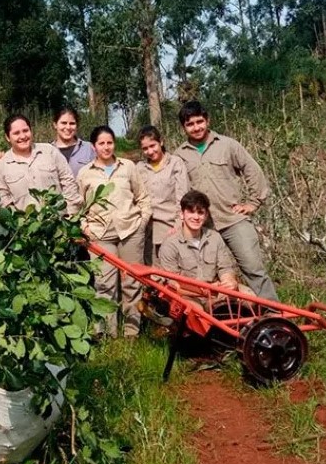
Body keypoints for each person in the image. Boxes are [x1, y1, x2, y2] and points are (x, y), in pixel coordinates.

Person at [173, 101, 279, 302]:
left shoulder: (228, 145)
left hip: (233, 220)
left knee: (253, 269)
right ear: (183, 127)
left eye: (199, 122)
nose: (196, 127)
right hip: (203, 227)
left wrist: (253, 203)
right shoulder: (179, 155)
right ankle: (223, 322)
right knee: (207, 278)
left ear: (207, 120)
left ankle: (274, 316)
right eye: (190, 124)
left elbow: (252, 170)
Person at [77, 125, 152, 338]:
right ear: (94, 147)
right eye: (101, 143)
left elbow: (143, 197)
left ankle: (131, 332)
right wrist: (86, 228)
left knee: (132, 283)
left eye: (109, 142)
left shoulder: (128, 167)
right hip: (100, 235)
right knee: (104, 285)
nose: (106, 147)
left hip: (130, 231)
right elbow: (77, 206)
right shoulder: (85, 173)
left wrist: (142, 222)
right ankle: (108, 334)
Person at [157, 190, 241, 300]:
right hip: (187, 296)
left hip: (216, 291)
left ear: (206, 216)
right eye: (191, 212)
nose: (196, 217)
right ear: (182, 215)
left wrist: (229, 281)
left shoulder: (215, 238)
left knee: (248, 297)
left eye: (200, 213)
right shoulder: (170, 244)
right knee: (196, 314)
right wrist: (207, 289)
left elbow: (225, 268)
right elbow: (173, 284)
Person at [0, 114, 82, 214]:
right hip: (25, 227)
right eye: (16, 133)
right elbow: (3, 200)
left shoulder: (50, 151)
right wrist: (20, 223)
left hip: (60, 223)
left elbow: (68, 182)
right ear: (7, 137)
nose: (23, 136)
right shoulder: (1, 167)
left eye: (25, 131)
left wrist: (70, 216)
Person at [135, 125, 189, 265]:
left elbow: (182, 197)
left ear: (161, 142)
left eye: (153, 145)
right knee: (152, 271)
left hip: (170, 226)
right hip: (148, 229)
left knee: (172, 270)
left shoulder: (175, 163)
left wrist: (178, 224)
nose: (150, 151)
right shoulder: (139, 168)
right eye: (145, 148)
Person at [51, 106, 95, 177]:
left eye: (72, 123)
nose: (68, 127)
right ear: (55, 125)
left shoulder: (89, 149)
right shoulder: (48, 151)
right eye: (64, 123)